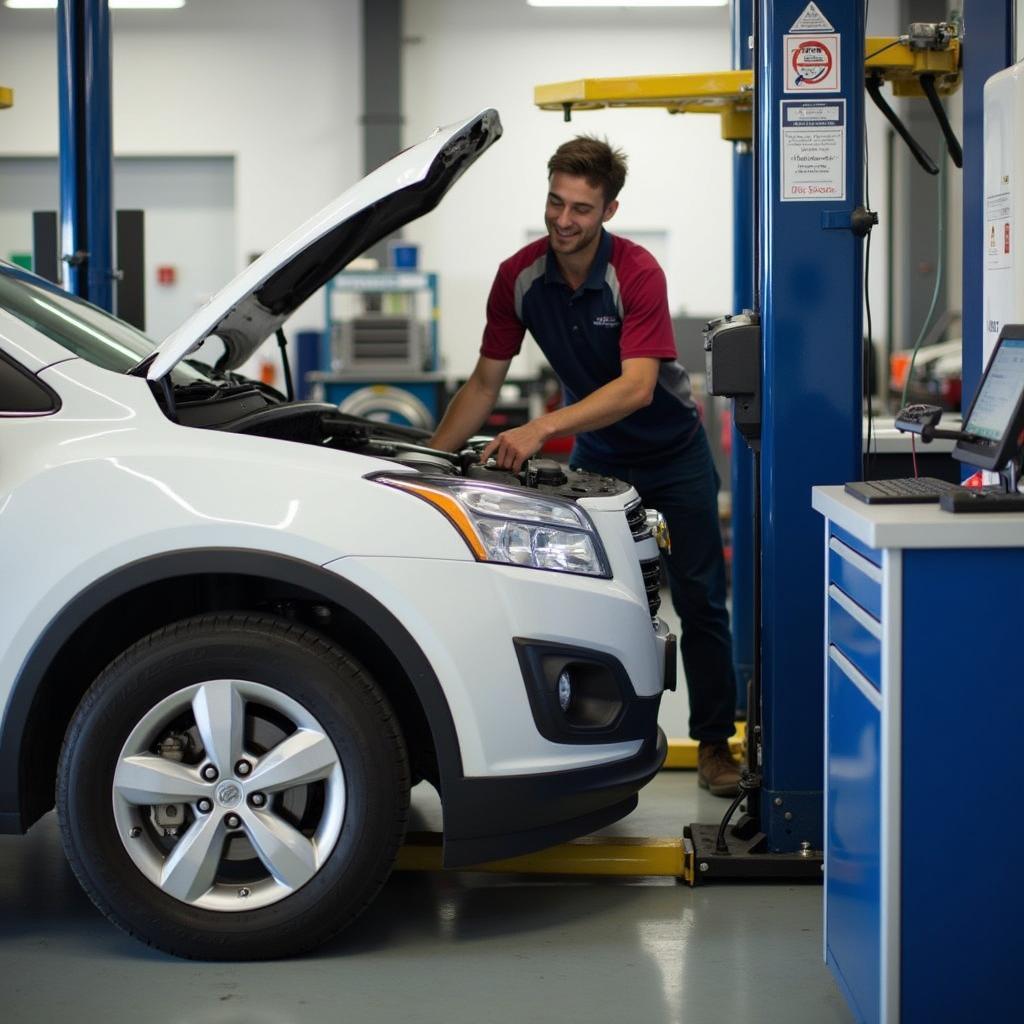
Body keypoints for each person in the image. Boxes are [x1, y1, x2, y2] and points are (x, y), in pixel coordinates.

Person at [428, 135, 739, 796]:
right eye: (555, 202)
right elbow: (483, 385)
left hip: (673, 452)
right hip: (600, 457)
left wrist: (541, 427)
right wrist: (425, 464)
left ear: (609, 210)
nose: (564, 220)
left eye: (582, 209)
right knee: (589, 600)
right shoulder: (520, 277)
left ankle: (716, 744)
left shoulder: (637, 272)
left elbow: (636, 388)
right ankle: (594, 737)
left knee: (701, 600)